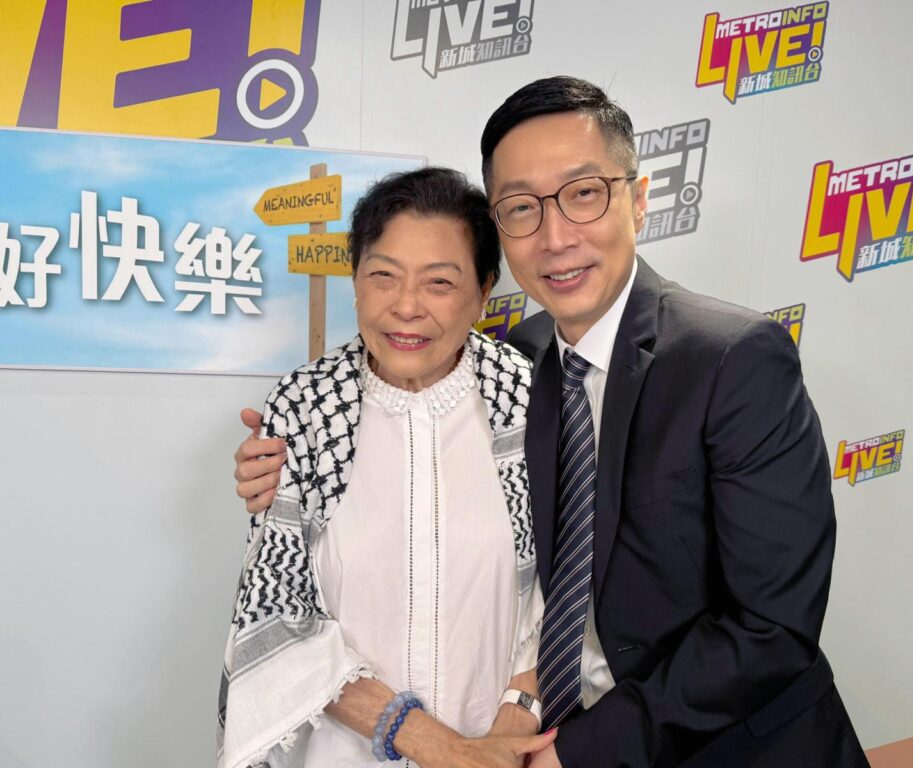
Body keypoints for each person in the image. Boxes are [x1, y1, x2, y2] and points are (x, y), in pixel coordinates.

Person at [235, 77, 870, 767]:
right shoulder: (521, 365)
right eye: (521, 208)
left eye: (584, 193)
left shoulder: (733, 359)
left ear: (639, 199)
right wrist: (283, 465)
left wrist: (570, 748)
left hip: (729, 750)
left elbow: (771, 627)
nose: (557, 236)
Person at [219, 167, 557, 768]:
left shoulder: (532, 400)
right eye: (383, 276)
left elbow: (571, 589)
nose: (406, 307)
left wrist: (515, 717)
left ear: (484, 291)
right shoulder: (302, 412)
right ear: (354, 280)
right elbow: (281, 615)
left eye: (439, 282)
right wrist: (438, 746)